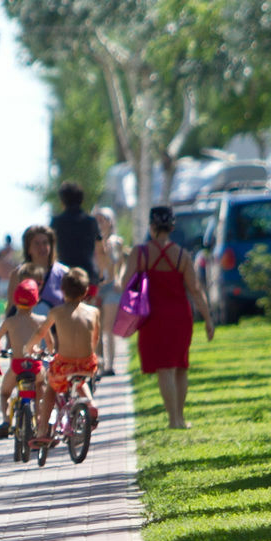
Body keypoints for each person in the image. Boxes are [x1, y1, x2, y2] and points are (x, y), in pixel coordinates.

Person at [131, 204, 216, 429]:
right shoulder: (182, 255)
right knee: (180, 366)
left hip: (152, 318)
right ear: (171, 227)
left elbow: (125, 285)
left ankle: (172, 420)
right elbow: (196, 290)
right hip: (180, 316)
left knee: (164, 368)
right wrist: (208, 319)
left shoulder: (140, 254)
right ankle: (180, 417)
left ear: (151, 226)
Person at [27, 268, 100, 444]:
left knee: (51, 387)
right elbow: (95, 338)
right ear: (85, 291)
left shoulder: (56, 312)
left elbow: (40, 332)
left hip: (64, 364)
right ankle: (90, 404)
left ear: (62, 291)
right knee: (80, 379)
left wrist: (29, 347)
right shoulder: (93, 312)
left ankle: (43, 430)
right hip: (88, 365)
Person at [0, 274, 48, 439]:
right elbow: (50, 344)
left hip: (17, 366)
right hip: (35, 366)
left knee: (5, 392)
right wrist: (49, 352)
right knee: (41, 387)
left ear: (15, 300)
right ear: (36, 301)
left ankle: (7, 420)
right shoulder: (41, 320)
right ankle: (40, 420)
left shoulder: (10, 321)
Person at [93, 208, 125, 375]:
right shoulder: (91, 242)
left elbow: (117, 262)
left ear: (110, 222)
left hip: (111, 286)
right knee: (96, 328)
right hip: (97, 288)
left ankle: (110, 365)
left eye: (102, 219)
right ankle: (98, 362)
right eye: (96, 220)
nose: (99, 223)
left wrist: (119, 279)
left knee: (108, 328)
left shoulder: (115, 241)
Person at [51, 181, 102, 281]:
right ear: (81, 199)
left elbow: (51, 248)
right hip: (88, 275)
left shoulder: (57, 222)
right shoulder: (90, 221)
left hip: (65, 276)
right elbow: (100, 249)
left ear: (62, 200)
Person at [20, 224, 68, 309]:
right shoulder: (18, 273)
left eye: (45, 243)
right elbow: (11, 309)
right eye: (36, 243)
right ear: (28, 248)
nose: (41, 247)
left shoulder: (64, 273)